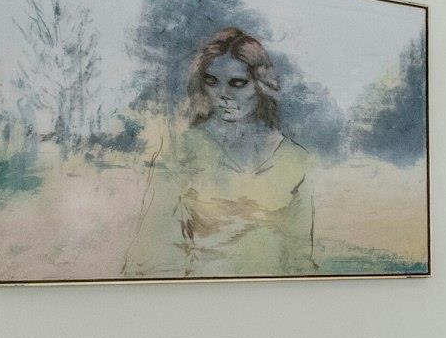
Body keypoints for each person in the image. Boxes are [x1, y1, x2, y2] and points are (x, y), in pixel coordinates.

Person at [122, 27, 317, 278]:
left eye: (237, 83)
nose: (223, 95)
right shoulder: (182, 150)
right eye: (211, 81)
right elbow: (150, 257)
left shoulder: (294, 158)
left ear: (261, 86)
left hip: (272, 300)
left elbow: (300, 259)